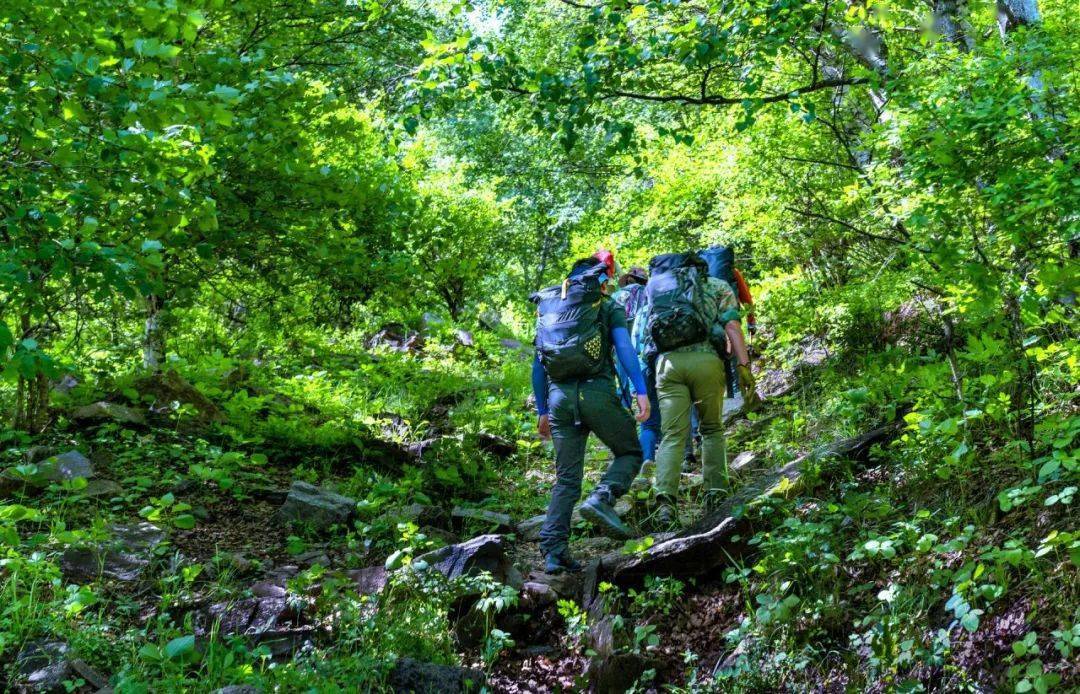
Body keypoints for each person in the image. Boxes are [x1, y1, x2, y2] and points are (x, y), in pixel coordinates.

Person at [531, 257, 651, 573]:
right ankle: (602, 498)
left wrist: (542, 409)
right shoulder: (605, 305)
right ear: (598, 281)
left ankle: (554, 553)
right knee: (629, 452)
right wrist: (640, 389)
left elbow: (538, 363)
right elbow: (625, 349)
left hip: (559, 399)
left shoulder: (549, 307)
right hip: (596, 393)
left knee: (567, 479)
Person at [638, 252, 757, 527]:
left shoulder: (657, 288)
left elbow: (647, 329)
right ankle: (715, 493)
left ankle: (665, 503)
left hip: (667, 364)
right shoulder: (717, 285)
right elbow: (731, 325)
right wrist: (743, 364)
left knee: (671, 436)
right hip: (706, 362)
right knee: (712, 429)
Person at [612, 266, 649, 410]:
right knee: (645, 368)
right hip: (642, 336)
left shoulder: (617, 295)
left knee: (623, 375)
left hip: (622, 337)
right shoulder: (648, 293)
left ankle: (625, 409)